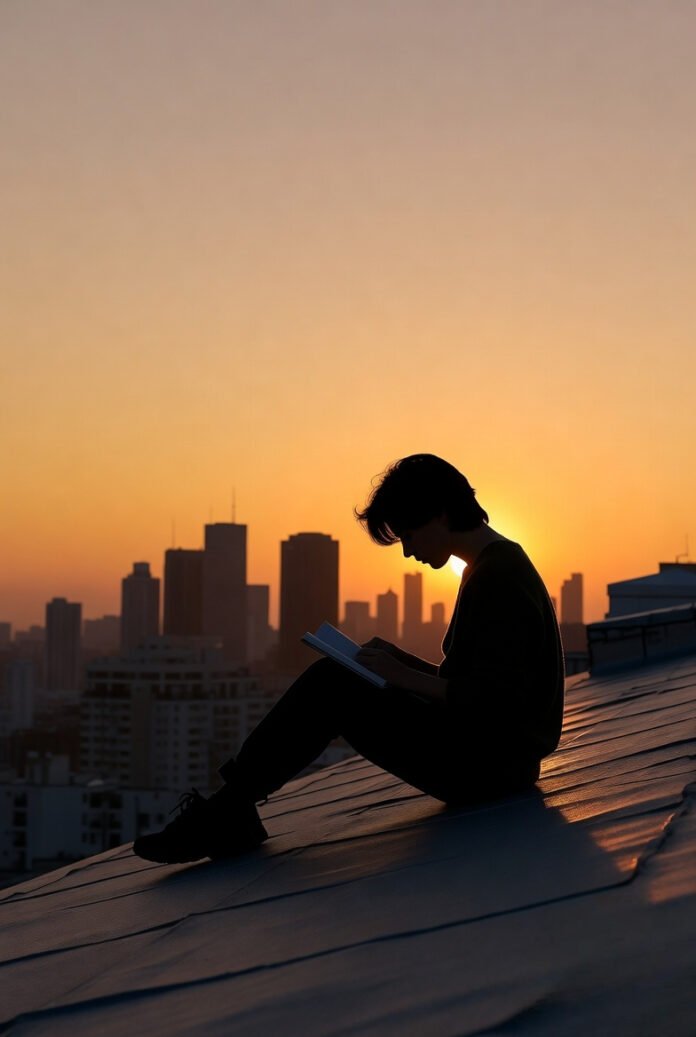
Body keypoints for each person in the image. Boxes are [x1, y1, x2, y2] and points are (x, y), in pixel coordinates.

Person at [134, 453, 564, 864]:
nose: (408, 551)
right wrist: (400, 665)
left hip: (490, 768)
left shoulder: (498, 576)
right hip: (493, 758)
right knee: (338, 677)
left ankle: (229, 811)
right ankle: (232, 807)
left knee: (331, 684)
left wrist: (401, 674)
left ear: (440, 516)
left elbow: (493, 700)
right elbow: (479, 685)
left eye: (408, 535)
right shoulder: (492, 567)